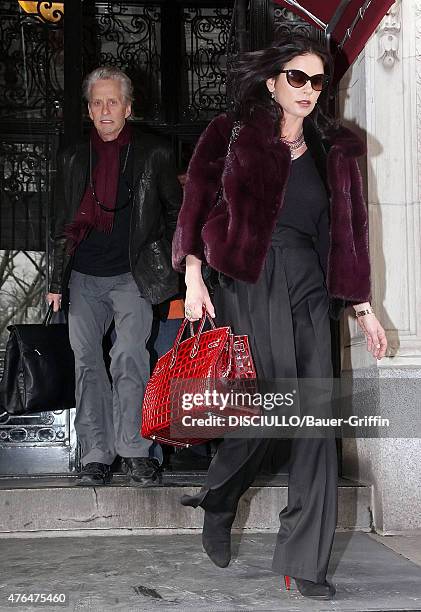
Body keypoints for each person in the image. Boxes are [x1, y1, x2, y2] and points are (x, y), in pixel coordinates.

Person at [172, 34, 387, 600]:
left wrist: (363, 308)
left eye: (318, 81)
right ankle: (220, 497)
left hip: (311, 288)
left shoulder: (333, 149)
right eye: (298, 77)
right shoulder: (232, 133)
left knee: (317, 421)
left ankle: (305, 560)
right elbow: (196, 202)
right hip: (250, 277)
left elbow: (350, 232)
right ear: (272, 82)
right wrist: (193, 278)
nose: (309, 90)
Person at [47, 66, 182, 487]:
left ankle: (135, 453)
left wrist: (174, 259)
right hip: (83, 277)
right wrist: (55, 280)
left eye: (112, 101)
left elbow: (177, 210)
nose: (105, 110)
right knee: (87, 364)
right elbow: (59, 221)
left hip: (132, 275)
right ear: (88, 110)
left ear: (127, 107)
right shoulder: (72, 157)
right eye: (97, 102)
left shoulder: (154, 153)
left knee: (128, 357)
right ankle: (96, 456)